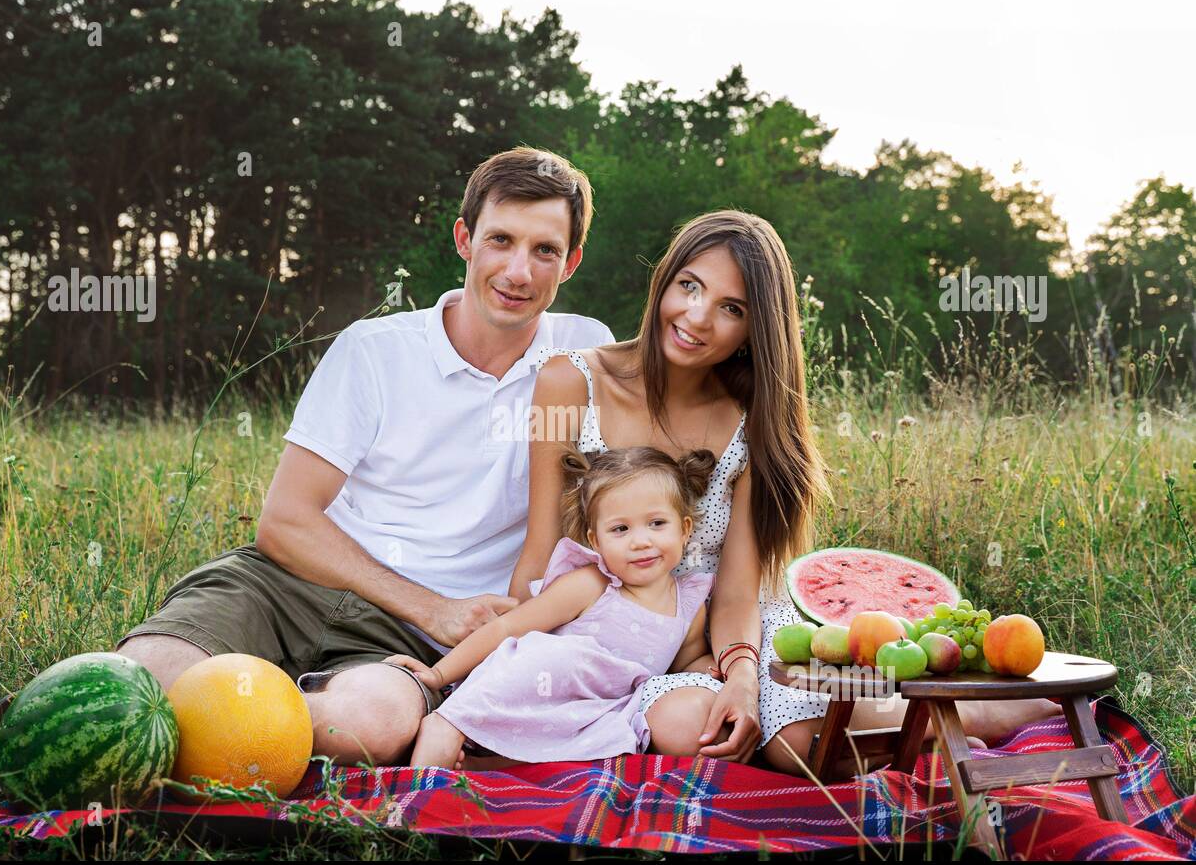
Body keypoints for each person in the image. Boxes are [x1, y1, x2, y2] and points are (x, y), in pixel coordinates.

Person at [511, 209, 1063, 778]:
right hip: (613, 638)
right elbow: (539, 554)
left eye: (732, 309)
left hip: (729, 637)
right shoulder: (568, 381)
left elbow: (739, 590)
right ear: (665, 279)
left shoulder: (748, 422)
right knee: (691, 730)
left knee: (800, 745)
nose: (697, 317)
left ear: (755, 329)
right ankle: (929, 713)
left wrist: (744, 679)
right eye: (689, 286)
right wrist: (515, 668)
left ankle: (971, 715)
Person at [115, 146, 614, 766]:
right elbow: (286, 521)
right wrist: (434, 606)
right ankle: (210, 716)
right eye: (500, 240)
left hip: (408, 640)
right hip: (292, 585)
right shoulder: (375, 350)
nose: (518, 271)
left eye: (545, 250)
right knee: (142, 684)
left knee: (363, 728)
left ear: (571, 262)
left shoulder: (587, 352)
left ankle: (233, 732)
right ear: (464, 238)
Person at [391, 446, 723, 769]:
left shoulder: (689, 605)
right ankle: (438, 745)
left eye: (656, 523)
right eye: (621, 529)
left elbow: (689, 661)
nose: (641, 541)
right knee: (497, 696)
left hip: (596, 708)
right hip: (530, 682)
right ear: (596, 541)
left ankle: (488, 765)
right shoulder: (591, 583)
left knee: (612, 745)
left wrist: (723, 673)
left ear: (685, 530)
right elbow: (507, 627)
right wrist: (439, 674)